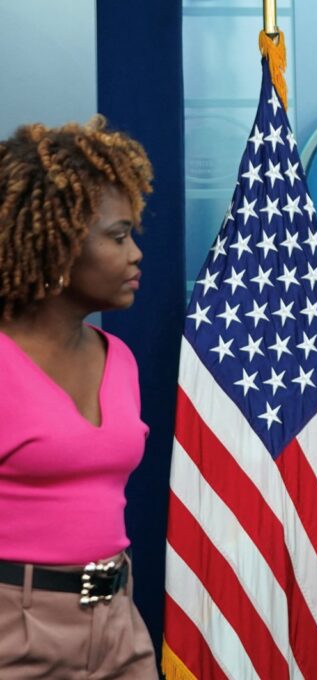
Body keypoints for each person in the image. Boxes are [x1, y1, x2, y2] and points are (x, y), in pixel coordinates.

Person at [0, 118, 158, 678]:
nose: (136, 254)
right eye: (117, 237)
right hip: (15, 629)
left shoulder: (119, 359)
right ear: (59, 242)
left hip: (118, 620)